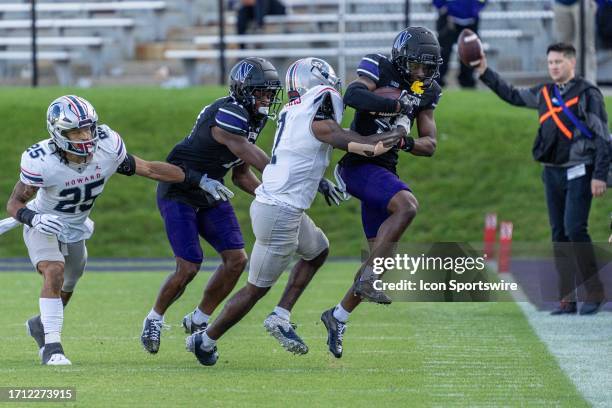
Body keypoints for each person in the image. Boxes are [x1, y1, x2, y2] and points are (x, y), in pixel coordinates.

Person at [185, 57, 408, 366]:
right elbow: (351, 142)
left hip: (281, 205)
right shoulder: (320, 102)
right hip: (279, 211)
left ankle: (280, 315)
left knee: (317, 250)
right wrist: (394, 132)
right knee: (255, 290)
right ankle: (205, 340)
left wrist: (321, 182)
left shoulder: (295, 109)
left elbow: (304, 153)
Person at [4, 95, 208, 365]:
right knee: (54, 270)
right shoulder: (41, 160)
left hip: (75, 226)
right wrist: (33, 218)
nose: (85, 136)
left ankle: (40, 324)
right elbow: (14, 203)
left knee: (69, 283)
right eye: (76, 131)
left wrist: (197, 179)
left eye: (88, 128)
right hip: (43, 221)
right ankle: (52, 349)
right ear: (58, 133)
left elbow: (147, 168)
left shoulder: (107, 147)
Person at [140, 57, 285, 355]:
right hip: (179, 189)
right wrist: (284, 179)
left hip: (211, 191)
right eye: (261, 92)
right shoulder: (228, 112)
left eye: (270, 93)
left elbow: (241, 173)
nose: (267, 98)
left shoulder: (251, 118)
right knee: (189, 266)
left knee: (236, 260)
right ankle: (154, 318)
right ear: (243, 90)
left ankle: (199, 319)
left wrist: (270, 197)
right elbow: (247, 151)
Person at [320, 26, 443, 359]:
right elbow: (354, 96)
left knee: (380, 259)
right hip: (358, 162)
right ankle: (367, 281)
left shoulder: (428, 91)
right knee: (407, 206)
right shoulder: (378, 66)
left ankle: (337, 316)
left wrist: (408, 141)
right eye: (417, 66)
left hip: (385, 168)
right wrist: (396, 107)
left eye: (428, 67)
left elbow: (430, 143)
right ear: (401, 59)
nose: (422, 73)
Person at [477, 42, 609, 315]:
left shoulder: (588, 94)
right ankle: (567, 298)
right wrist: (484, 71)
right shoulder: (544, 92)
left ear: (572, 63)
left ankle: (594, 290)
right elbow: (513, 95)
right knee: (558, 233)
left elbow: (602, 138)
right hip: (551, 170)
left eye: (559, 62)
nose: (553, 67)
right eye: (550, 62)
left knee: (575, 228)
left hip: (580, 168)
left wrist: (599, 175)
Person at [433, 0, 487, 88]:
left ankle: (467, 82)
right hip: (448, 19)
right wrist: (443, 7)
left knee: (469, 53)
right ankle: (437, 81)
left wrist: (476, 8)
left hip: (470, 21)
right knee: (443, 52)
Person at [553, 0, 597, 84]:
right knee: (563, 48)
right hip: (560, 3)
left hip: (582, 3)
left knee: (585, 46)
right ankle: (564, 84)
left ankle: (589, 86)